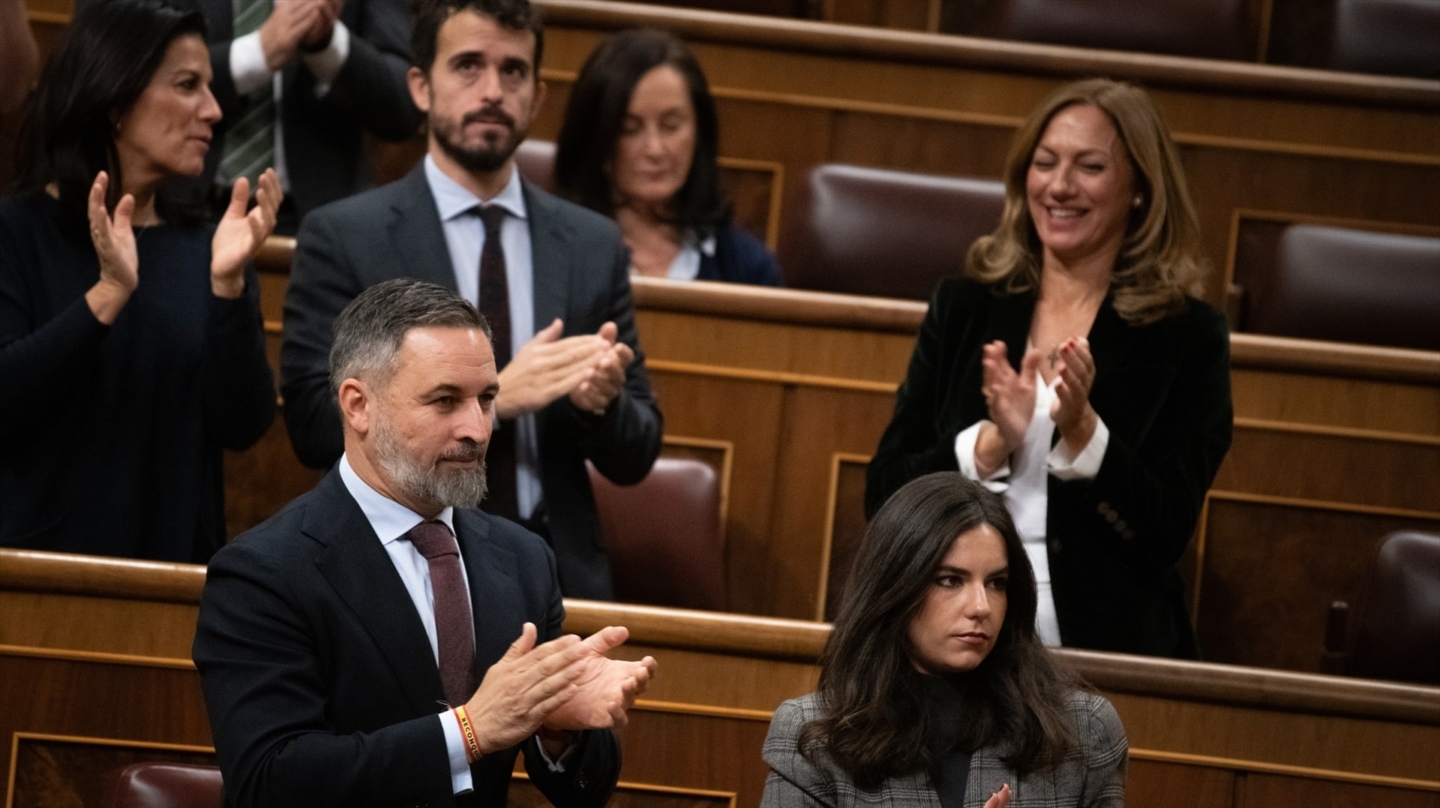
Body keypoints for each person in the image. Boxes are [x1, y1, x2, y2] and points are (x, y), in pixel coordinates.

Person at [194, 278, 656, 807]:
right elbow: (269, 782)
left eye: (486, 399)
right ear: (358, 406)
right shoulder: (262, 572)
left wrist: (559, 730)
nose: (478, 429)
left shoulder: (524, 559)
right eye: (445, 401)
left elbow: (581, 792)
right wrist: (470, 730)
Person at [281, 0, 663, 601]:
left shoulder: (590, 243)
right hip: (395, 568)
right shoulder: (346, 237)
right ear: (420, 86)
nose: (492, 90)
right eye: (467, 66)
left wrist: (600, 403)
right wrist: (500, 398)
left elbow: (637, 450)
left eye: (512, 71)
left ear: (537, 97)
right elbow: (312, 425)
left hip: (554, 573)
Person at [865, 79, 1233, 659]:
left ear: (1140, 188)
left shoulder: (1186, 337)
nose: (1060, 186)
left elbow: (1165, 530)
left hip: (1102, 645)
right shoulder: (964, 307)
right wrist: (990, 444)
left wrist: (1085, 432)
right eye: (1045, 163)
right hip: (948, 637)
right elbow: (884, 498)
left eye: (1089, 166)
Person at [0, 0, 279, 562]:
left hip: (172, 577)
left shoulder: (211, 247)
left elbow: (242, 423)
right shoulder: (15, 230)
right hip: (35, 577)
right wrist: (106, 296)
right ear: (116, 100)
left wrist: (228, 288)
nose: (214, 110)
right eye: (187, 85)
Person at [763, 473, 1126, 807]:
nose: (981, 607)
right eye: (951, 580)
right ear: (895, 587)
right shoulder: (814, 738)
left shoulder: (1082, 732)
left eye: (996, 583)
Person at [80, 0, 423, 230]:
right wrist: (259, 53)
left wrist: (326, 43)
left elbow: (405, 108)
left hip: (315, 225)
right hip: (165, 212)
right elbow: (106, 70)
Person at [554, 28, 781, 286]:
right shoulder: (555, 254)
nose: (655, 149)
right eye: (630, 129)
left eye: (671, 126)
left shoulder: (748, 267)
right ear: (595, 138)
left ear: (699, 131)